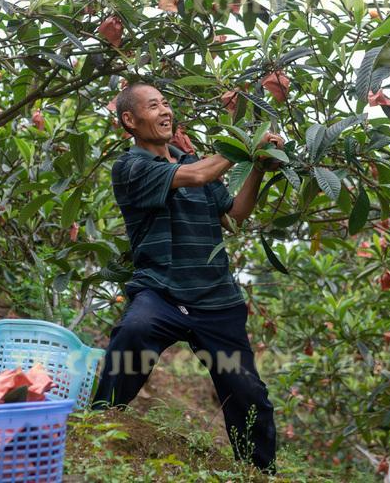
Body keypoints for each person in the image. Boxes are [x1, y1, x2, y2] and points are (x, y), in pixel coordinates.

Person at [91, 82, 283, 474]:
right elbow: (195, 176)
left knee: (247, 391)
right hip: (161, 292)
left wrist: (259, 168)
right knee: (134, 331)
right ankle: (97, 421)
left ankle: (259, 473)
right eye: (153, 106)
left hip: (215, 301)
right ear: (129, 119)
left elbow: (236, 214)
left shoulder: (187, 158)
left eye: (165, 103)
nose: (165, 111)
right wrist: (247, 146)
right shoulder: (130, 167)